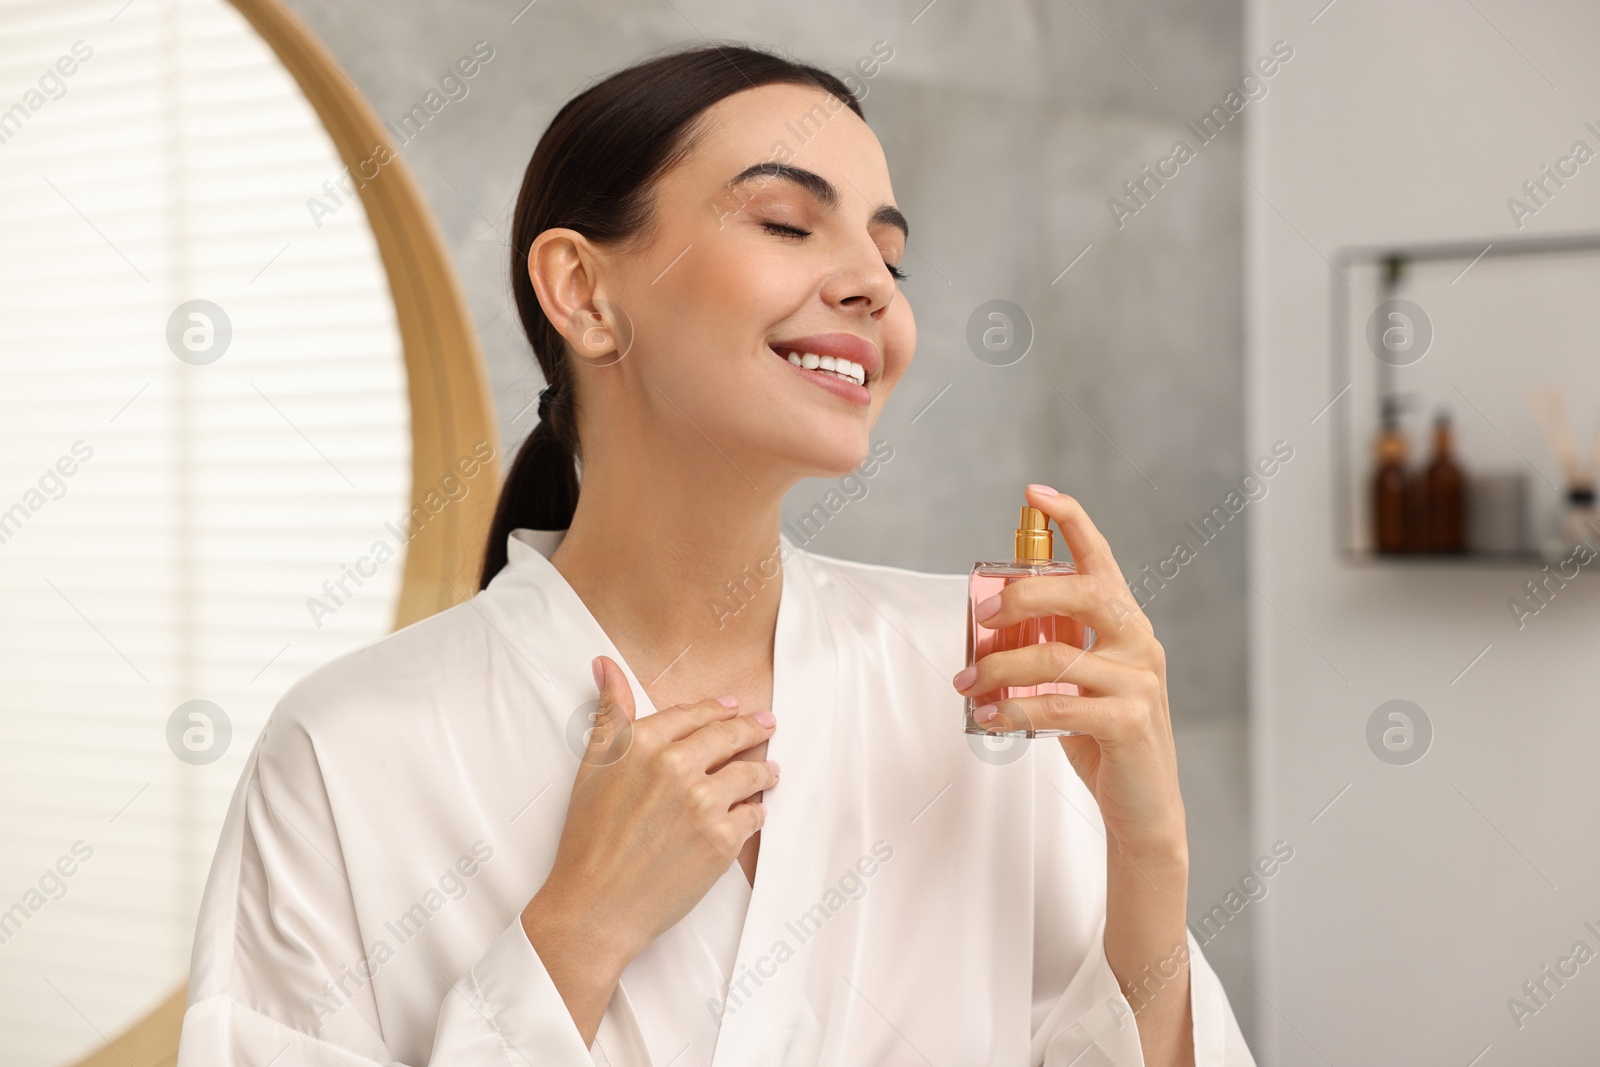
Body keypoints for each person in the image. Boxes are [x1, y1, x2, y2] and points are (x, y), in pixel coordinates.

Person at [177, 42, 1255, 1066]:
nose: (873, 287)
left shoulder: (980, 684)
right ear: (585, 294)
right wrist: (572, 939)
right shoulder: (345, 750)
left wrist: (1148, 851)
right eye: (787, 223)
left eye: (890, 256)